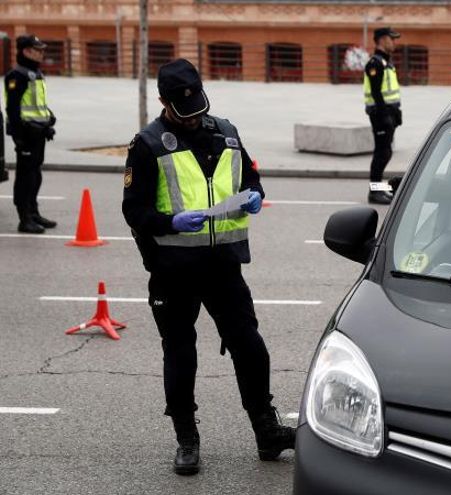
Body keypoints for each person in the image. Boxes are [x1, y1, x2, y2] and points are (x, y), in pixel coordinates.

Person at [121, 59, 295, 476]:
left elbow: (251, 179)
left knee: (250, 347)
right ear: (164, 102)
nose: (196, 117)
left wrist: (254, 195)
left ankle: (266, 431)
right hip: (173, 270)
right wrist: (170, 223)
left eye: (199, 107)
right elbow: (134, 210)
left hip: (223, 266)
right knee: (181, 355)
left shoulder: (227, 133)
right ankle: (186, 437)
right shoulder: (146, 145)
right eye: (185, 111)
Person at [5, 34, 56, 234]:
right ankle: (24, 218)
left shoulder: (35, 73)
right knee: (25, 177)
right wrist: (19, 137)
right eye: (38, 50)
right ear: (26, 51)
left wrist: (49, 119)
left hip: (38, 133)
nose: (42, 53)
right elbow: (13, 108)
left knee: (35, 174)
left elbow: (37, 104)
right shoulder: (17, 75)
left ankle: (33, 213)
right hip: (26, 135)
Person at [363, 26, 402, 204]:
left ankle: (379, 188)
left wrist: (396, 113)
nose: (394, 42)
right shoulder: (375, 63)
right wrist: (385, 116)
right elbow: (377, 93)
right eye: (391, 39)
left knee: (386, 152)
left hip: (389, 114)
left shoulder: (387, 62)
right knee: (382, 153)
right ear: (381, 40)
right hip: (380, 115)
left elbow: (390, 92)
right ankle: (374, 191)